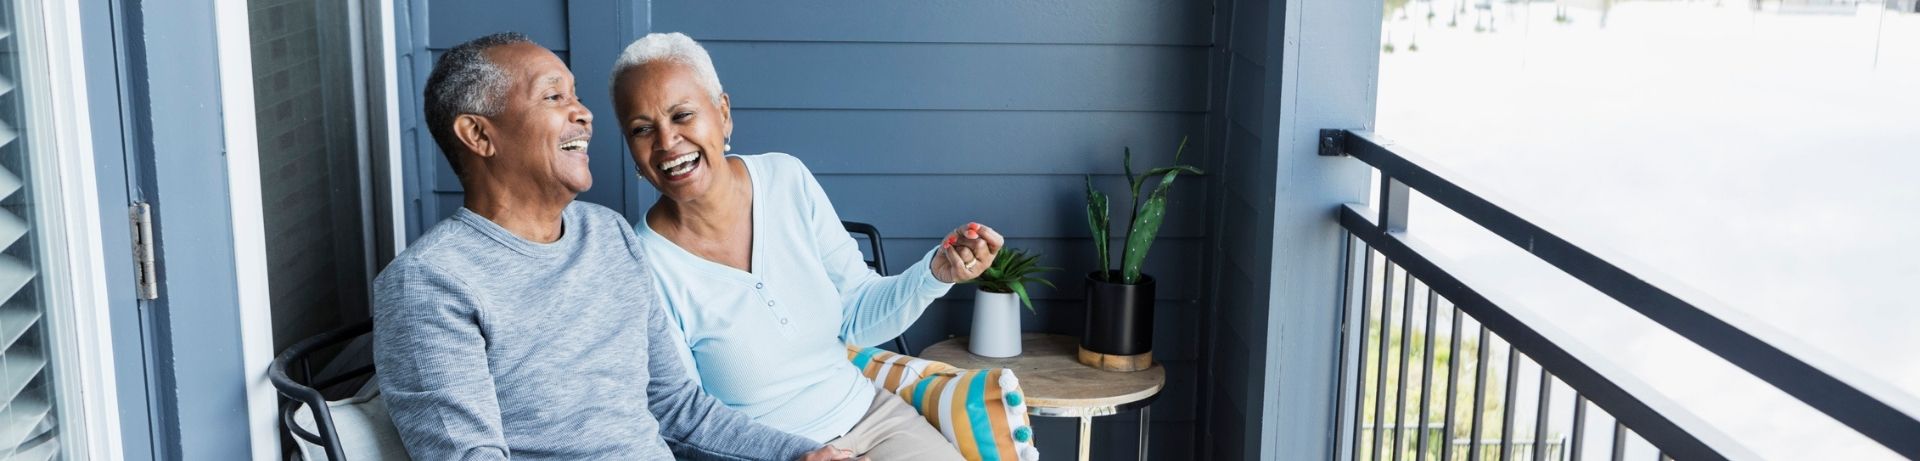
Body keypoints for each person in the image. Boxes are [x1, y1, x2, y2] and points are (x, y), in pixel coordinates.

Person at [372, 32, 858, 461]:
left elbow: (677, 409)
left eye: (576, 96)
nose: (583, 114)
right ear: (479, 134)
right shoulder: (430, 283)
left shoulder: (607, 236)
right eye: (553, 97)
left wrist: (800, 454)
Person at [608, 32, 1001, 460]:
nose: (666, 142)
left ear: (723, 113)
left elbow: (856, 315)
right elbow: (687, 415)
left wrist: (933, 275)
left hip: (872, 418)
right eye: (642, 129)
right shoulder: (643, 262)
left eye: (682, 115)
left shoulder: (786, 179)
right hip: (767, 453)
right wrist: (791, 454)